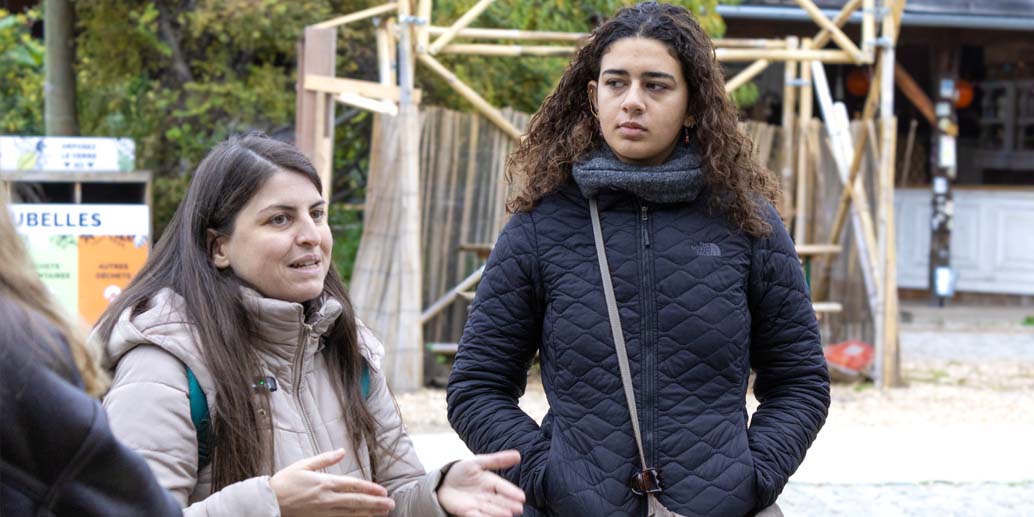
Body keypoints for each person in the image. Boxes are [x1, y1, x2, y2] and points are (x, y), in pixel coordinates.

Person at [446, 3, 831, 516]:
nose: (632, 102)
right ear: (592, 96)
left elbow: (800, 381)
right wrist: (548, 477)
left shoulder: (746, 222)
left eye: (656, 85)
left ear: (692, 104)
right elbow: (477, 386)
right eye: (615, 83)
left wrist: (751, 478)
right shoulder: (542, 225)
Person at [93, 133, 526, 517]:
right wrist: (269, 505)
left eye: (316, 214)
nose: (311, 236)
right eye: (279, 219)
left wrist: (437, 493)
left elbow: (390, 497)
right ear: (218, 246)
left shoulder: (346, 350)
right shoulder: (165, 365)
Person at [0, 194, 181, 516]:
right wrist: (265, 499)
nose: (304, 234)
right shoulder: (18, 346)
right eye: (277, 219)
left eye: (306, 213)